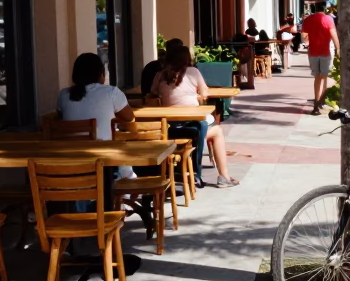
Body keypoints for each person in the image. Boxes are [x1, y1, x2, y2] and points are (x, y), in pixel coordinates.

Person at [154, 46, 239, 188]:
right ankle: (223, 176)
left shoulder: (160, 75)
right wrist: (197, 96)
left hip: (167, 129)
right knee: (217, 131)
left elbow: (153, 93)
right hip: (190, 128)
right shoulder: (193, 72)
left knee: (207, 124)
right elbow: (205, 93)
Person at [57, 53, 138, 185]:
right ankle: (124, 188)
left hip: (70, 159)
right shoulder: (111, 92)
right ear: (100, 73)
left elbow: (61, 119)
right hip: (104, 160)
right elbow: (130, 118)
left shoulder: (63, 95)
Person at [301, 1, 340, 114]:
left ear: (314, 8)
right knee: (324, 77)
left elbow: (304, 38)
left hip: (313, 53)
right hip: (325, 52)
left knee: (317, 78)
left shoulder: (308, 20)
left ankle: (317, 102)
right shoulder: (328, 19)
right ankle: (320, 101)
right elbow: (334, 35)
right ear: (324, 8)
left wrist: (312, 37)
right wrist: (338, 49)